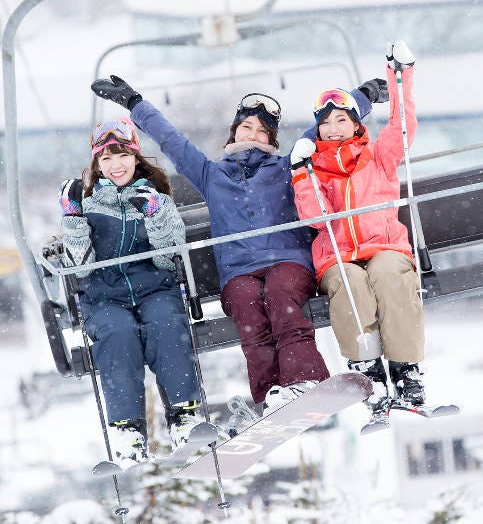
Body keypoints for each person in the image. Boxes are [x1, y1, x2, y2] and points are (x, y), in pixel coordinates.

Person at [90, 74, 388, 416]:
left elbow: (326, 122)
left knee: (280, 295)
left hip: (287, 262)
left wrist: (363, 95)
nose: (254, 136)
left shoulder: (287, 166)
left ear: (271, 140)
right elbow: (170, 140)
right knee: (248, 306)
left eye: (263, 132)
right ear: (235, 132)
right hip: (238, 272)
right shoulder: (210, 174)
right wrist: (133, 103)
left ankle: (304, 380)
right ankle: (269, 394)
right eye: (247, 128)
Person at [289, 41, 425, 419]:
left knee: (388, 276)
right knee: (349, 285)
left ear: (355, 123)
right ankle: (368, 371)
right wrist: (302, 175)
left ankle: (405, 369)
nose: (333, 129)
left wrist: (401, 78)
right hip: (339, 254)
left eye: (341, 120)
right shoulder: (312, 166)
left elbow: (402, 126)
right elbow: (317, 219)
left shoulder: (378, 155)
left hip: (384, 246)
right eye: (325, 123)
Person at [58, 118, 202, 467]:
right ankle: (127, 430)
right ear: (96, 166)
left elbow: (170, 259)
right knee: (116, 332)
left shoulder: (158, 199)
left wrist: (154, 215)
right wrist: (74, 220)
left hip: (155, 287)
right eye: (105, 159)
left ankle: (184, 415)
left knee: (166, 323)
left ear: (136, 157)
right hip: (105, 296)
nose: (115, 165)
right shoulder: (89, 205)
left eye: (122, 155)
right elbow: (81, 268)